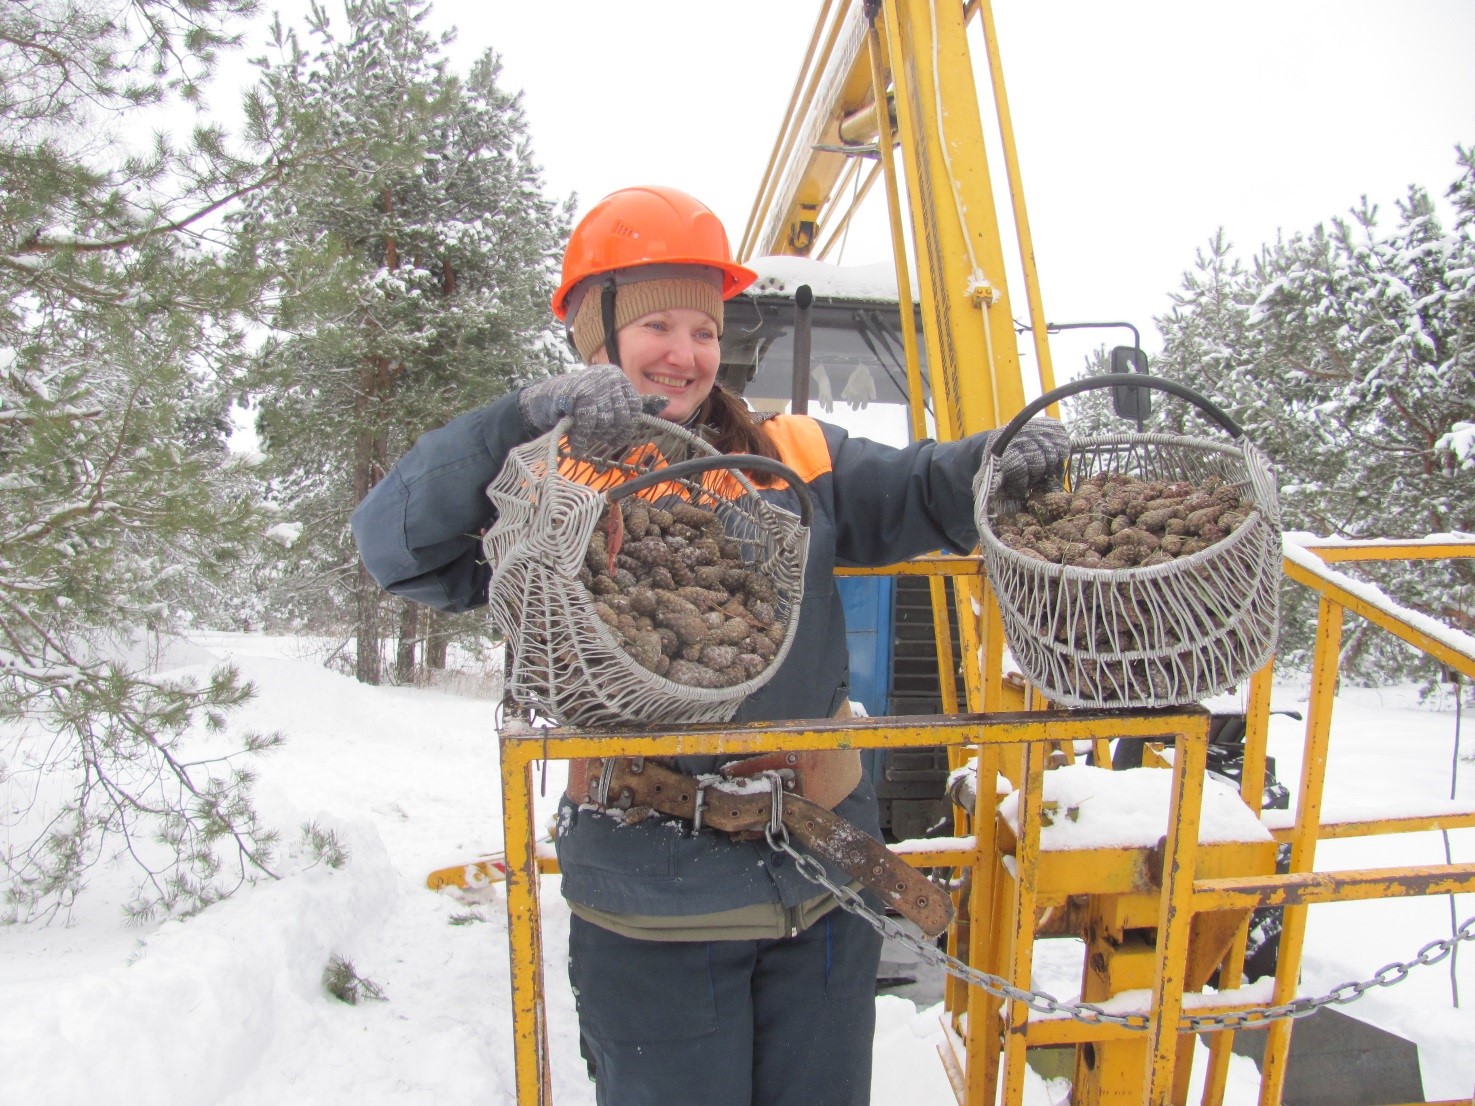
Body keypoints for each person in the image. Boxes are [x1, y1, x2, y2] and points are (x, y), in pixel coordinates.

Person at [351, 185, 1068, 1106]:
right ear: (593, 336)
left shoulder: (790, 453)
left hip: (823, 880)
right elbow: (392, 546)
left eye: (702, 328)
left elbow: (919, 489)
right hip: (655, 899)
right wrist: (516, 418)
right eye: (656, 328)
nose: (683, 354)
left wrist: (992, 463)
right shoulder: (542, 483)